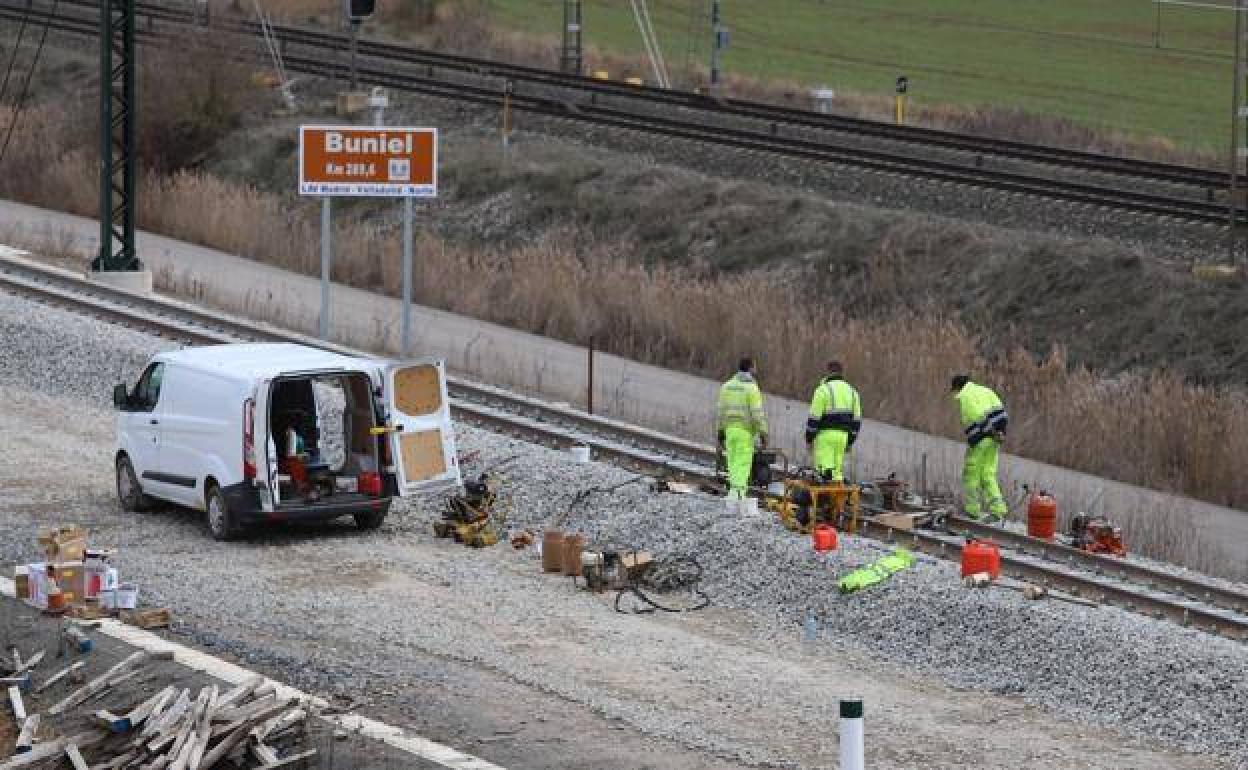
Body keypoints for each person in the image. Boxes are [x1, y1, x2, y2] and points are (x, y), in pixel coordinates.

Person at [951, 374, 1009, 522]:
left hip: (982, 439)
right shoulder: (986, 391)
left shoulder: (966, 396)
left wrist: (989, 431)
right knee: (988, 473)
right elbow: (1002, 413)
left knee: (971, 473)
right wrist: (1000, 432)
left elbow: (975, 416)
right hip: (995, 440)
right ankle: (998, 509)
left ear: (959, 387)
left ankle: (972, 510)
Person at [717, 357, 768, 503]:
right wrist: (763, 433)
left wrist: (720, 432)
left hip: (729, 431)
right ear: (751, 368)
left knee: (732, 464)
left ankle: (732, 496)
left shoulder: (726, 386)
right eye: (755, 367)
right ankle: (739, 497)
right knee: (743, 464)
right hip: (744, 432)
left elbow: (720, 411)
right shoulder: (752, 388)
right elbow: (757, 414)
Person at [805, 360, 861, 482]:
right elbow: (857, 421)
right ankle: (836, 500)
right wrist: (850, 440)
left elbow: (814, 418)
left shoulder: (823, 390)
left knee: (823, 473)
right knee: (836, 473)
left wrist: (809, 438)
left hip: (825, 436)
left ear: (828, 372)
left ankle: (822, 500)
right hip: (843, 437)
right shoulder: (852, 392)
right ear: (842, 373)